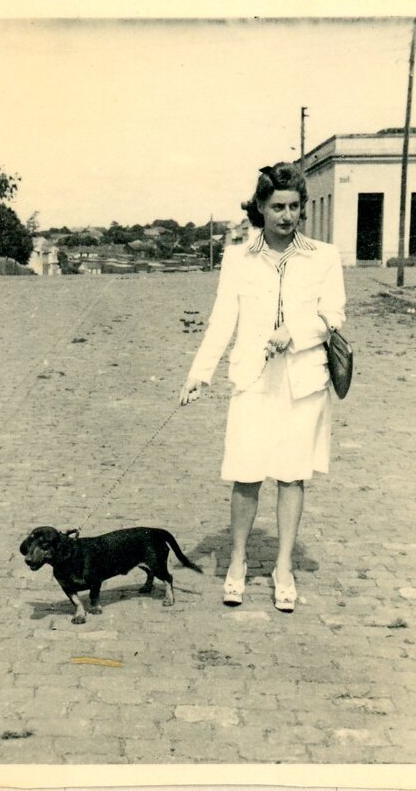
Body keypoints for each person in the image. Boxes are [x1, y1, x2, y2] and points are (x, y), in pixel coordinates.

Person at [179, 162, 346, 612]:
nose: (287, 216)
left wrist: (297, 331)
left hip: (303, 382)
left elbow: (334, 315)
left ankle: (283, 566)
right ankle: (237, 562)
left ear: (302, 207)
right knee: (247, 472)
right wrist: (199, 373)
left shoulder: (324, 256)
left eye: (294, 207)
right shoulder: (238, 258)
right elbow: (222, 321)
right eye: (277, 207)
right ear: (260, 207)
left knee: (292, 474)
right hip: (252, 380)